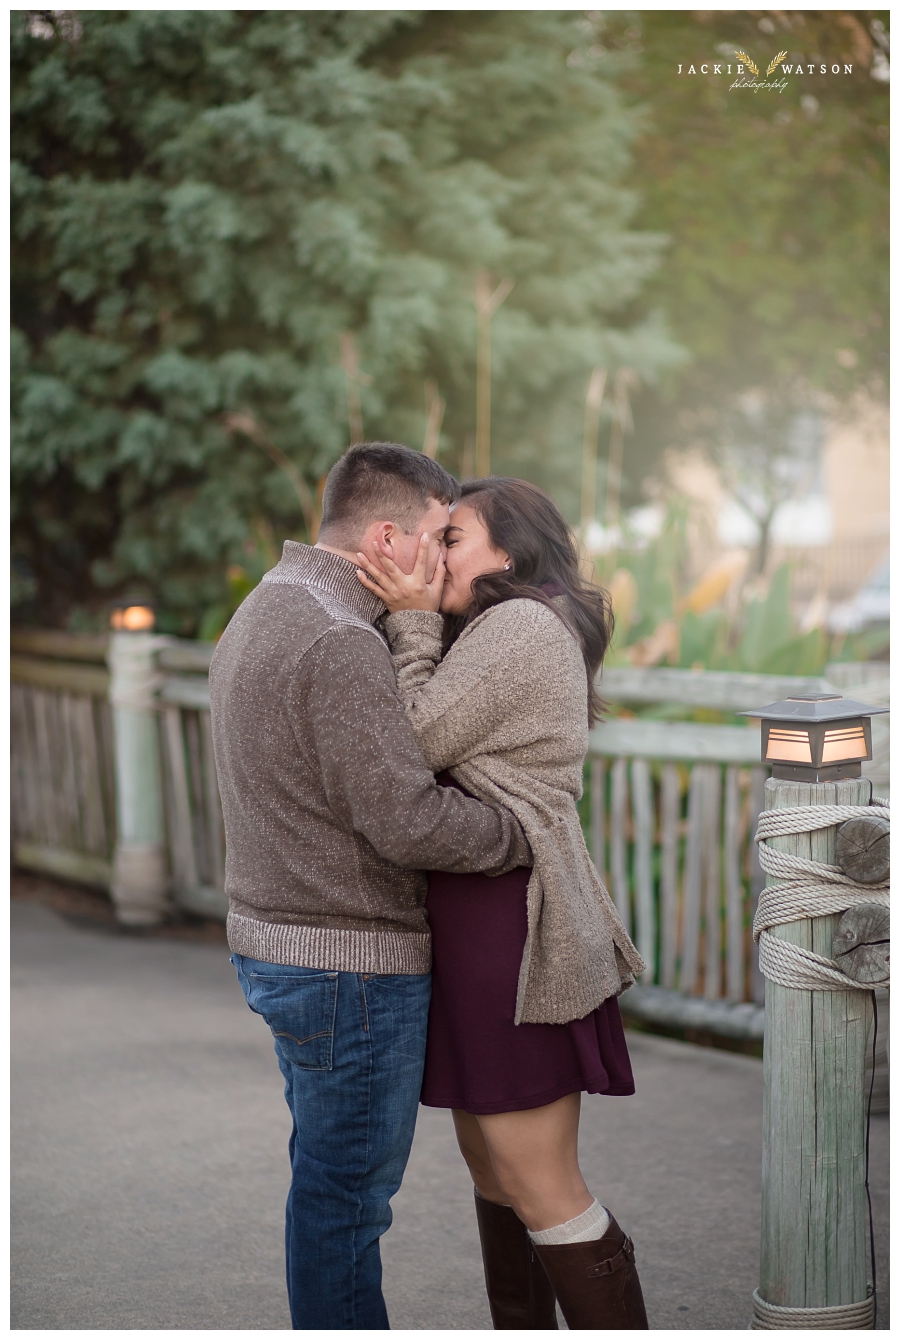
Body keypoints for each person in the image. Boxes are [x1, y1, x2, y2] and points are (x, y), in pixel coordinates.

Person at [209, 444, 532, 1331]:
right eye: (438, 535)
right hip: (347, 968)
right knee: (346, 1204)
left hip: (280, 949)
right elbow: (409, 822)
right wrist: (522, 833)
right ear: (386, 536)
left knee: (327, 1184)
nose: (442, 557)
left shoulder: (268, 605)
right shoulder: (341, 640)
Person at [355, 476, 649, 1330]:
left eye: (452, 539)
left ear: (509, 552)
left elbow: (408, 741)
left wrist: (409, 624)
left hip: (513, 928)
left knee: (538, 1182)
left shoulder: (522, 623)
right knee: (495, 1174)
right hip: (478, 918)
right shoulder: (492, 626)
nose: (429, 555)